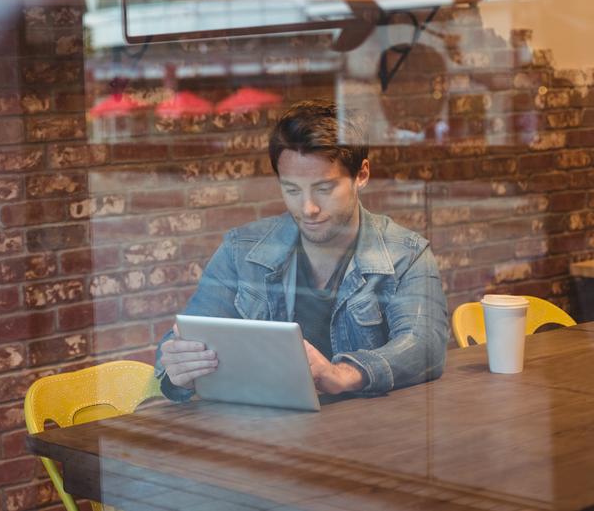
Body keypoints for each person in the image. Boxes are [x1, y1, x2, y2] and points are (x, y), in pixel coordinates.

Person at [155, 99, 448, 401]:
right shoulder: (240, 251)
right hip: (265, 429)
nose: (308, 208)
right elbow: (185, 338)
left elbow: (423, 345)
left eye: (324, 189)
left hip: (368, 434)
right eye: (292, 190)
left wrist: (343, 375)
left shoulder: (406, 255)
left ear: (361, 175)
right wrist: (179, 371)